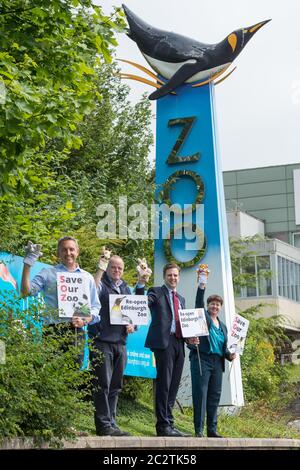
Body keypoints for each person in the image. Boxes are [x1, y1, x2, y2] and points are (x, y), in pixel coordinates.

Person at [136, 262, 197, 437]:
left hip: (179, 343)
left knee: (173, 385)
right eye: (170, 275)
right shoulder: (155, 292)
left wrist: (190, 337)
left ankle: (169, 423)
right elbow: (142, 303)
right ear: (165, 276)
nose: (173, 278)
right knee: (164, 384)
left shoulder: (181, 299)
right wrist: (141, 283)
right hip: (163, 343)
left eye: (175, 275)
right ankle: (162, 426)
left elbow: (184, 324)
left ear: (179, 277)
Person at [20, 237, 101, 362]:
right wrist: (27, 264)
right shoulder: (48, 273)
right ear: (58, 253)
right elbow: (26, 292)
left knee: (73, 376)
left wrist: (85, 319)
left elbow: (95, 307)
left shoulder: (87, 277)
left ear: (77, 251)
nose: (68, 253)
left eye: (71, 249)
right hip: (52, 331)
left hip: (76, 331)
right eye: (64, 250)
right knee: (51, 374)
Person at [88, 249, 141, 437]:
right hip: (102, 341)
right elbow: (92, 290)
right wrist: (101, 266)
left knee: (116, 385)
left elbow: (134, 316)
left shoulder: (126, 289)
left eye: (120, 268)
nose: (116, 270)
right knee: (102, 383)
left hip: (121, 343)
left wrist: (132, 325)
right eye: (113, 267)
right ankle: (103, 425)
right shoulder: (100, 283)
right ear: (108, 268)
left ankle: (112, 422)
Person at [188, 265, 236, 438]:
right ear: (208, 306)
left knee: (214, 396)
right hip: (202, 359)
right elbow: (198, 304)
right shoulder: (204, 318)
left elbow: (224, 347)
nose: (215, 307)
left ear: (220, 307)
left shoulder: (223, 326)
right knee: (201, 394)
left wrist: (230, 355)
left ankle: (212, 430)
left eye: (217, 305)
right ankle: (199, 430)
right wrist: (202, 285)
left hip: (217, 362)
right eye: (212, 304)